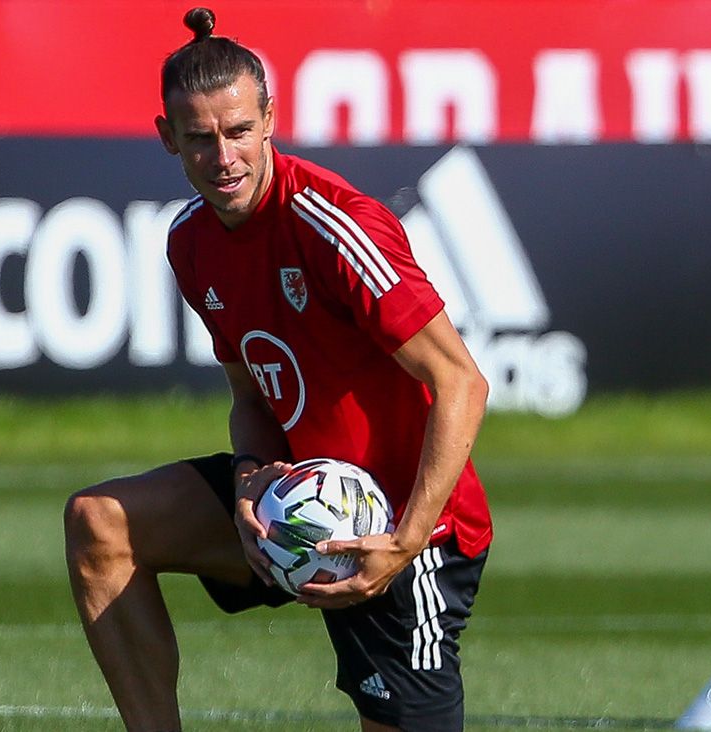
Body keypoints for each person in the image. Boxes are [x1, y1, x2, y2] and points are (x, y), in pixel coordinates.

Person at [63, 8, 492, 731]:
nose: (223, 156)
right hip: (290, 503)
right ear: (169, 137)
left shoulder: (334, 224)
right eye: (199, 138)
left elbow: (461, 383)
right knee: (100, 526)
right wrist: (250, 476)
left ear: (269, 120)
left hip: (401, 524)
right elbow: (249, 392)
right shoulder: (192, 244)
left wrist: (405, 540)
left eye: (237, 132)